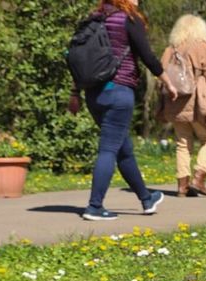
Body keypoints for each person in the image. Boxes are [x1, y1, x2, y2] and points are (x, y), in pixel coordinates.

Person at [69, 0, 177, 221]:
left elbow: (78, 58)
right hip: (118, 92)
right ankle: (94, 206)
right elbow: (147, 56)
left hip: (93, 94)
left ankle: (147, 198)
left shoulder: (94, 18)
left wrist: (74, 93)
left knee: (123, 149)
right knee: (109, 149)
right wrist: (168, 82)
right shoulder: (128, 18)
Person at [159, 14, 206, 198]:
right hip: (198, 103)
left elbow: (160, 77)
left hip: (175, 103)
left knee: (182, 143)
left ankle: (182, 186)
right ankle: (199, 178)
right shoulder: (204, 48)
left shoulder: (170, 50)